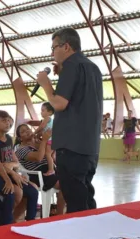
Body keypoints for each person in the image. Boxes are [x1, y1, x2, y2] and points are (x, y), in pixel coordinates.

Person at [36, 27, 103, 213]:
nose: (52, 52)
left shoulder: (71, 65)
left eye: (54, 47)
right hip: (89, 146)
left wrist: (46, 84)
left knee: (75, 201)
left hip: (71, 145)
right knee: (85, 196)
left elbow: (58, 103)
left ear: (66, 46)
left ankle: (80, 238)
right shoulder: (92, 67)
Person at [0, 111, 39, 225]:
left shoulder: (9, 138)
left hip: (10, 173)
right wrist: (8, 180)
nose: (7, 123)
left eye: (8, 120)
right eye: (3, 120)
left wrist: (15, 173)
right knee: (10, 193)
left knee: (33, 191)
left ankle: (30, 223)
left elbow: (15, 162)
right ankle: (6, 225)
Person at [15, 124, 66, 215]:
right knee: (65, 185)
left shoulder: (39, 143)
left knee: (72, 183)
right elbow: (38, 158)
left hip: (50, 170)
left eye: (28, 129)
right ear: (19, 138)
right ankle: (60, 215)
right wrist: (44, 140)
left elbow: (52, 154)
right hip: (39, 174)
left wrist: (44, 140)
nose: (27, 131)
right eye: (23, 131)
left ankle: (62, 213)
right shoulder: (20, 149)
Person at [33, 102, 55, 175]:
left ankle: (51, 170)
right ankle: (55, 168)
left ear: (50, 112)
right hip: (52, 140)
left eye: (43, 110)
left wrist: (34, 133)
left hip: (50, 140)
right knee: (51, 156)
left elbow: (41, 127)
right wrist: (38, 136)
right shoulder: (49, 120)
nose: (41, 112)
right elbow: (42, 131)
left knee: (47, 154)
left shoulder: (47, 118)